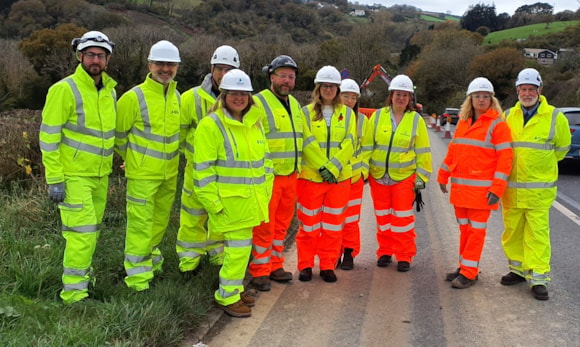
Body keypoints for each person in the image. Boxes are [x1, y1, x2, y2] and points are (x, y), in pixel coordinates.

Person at [39, 31, 116, 304]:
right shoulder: (64, 89)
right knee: (80, 236)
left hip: (100, 176)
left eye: (101, 55)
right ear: (80, 56)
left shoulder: (110, 91)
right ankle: (73, 294)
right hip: (74, 177)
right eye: (91, 54)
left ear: (107, 60)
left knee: (90, 233)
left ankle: (82, 281)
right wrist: (55, 179)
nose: (96, 60)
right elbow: (49, 138)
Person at [193, 69, 273, 318]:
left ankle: (235, 290)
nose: (239, 98)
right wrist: (214, 204)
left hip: (250, 203)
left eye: (243, 93)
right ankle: (226, 296)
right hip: (228, 205)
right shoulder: (211, 125)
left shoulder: (254, 123)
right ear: (223, 95)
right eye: (233, 93)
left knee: (240, 250)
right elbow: (203, 171)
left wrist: (265, 195)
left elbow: (265, 164)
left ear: (249, 96)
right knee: (237, 251)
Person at [248, 55, 328, 291]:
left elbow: (306, 140)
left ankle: (275, 265)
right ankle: (260, 271)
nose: (287, 81)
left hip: (291, 176)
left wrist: (324, 165)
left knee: (282, 225)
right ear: (271, 76)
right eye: (282, 75)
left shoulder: (294, 105)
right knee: (265, 226)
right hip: (268, 178)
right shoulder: (258, 102)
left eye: (291, 77)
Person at [115, 40, 182, 291]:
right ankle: (138, 280)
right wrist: (132, 158)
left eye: (170, 64)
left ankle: (151, 263)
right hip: (143, 175)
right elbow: (119, 136)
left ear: (176, 67)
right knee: (140, 225)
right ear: (149, 65)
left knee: (159, 223)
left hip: (169, 174)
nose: (165, 69)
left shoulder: (176, 97)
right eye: (160, 64)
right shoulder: (133, 97)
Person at [500, 68, 571, 300]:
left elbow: (562, 150)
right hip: (511, 191)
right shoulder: (509, 115)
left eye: (531, 89)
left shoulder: (554, 116)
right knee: (512, 233)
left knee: (538, 235)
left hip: (539, 193)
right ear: (517, 91)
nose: (527, 93)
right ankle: (517, 270)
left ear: (539, 90)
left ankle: (539, 278)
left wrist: (540, 165)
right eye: (523, 89)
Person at [437, 77, 513, 289]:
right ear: (470, 99)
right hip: (461, 191)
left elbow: (505, 159)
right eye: (477, 96)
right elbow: (454, 151)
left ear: (491, 99)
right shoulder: (463, 122)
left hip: (482, 193)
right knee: (465, 230)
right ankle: (465, 267)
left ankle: (469, 272)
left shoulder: (498, 125)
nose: (481, 100)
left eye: (485, 96)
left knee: (475, 232)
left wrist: (497, 189)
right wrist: (442, 175)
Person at [176, 45, 241, 275]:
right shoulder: (190, 98)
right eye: (219, 69)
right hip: (197, 170)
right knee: (192, 216)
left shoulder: (239, 99)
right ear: (211, 69)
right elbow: (180, 135)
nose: (223, 74)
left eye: (229, 69)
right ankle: (189, 262)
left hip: (226, 173)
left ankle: (217, 257)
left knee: (220, 217)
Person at [296, 65, 356, 283]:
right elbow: (307, 142)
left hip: (338, 180)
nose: (329, 90)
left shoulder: (348, 114)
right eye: (325, 86)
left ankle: (328, 265)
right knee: (308, 225)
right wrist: (324, 167)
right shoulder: (305, 113)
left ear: (338, 89)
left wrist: (333, 168)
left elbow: (350, 142)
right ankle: (305, 265)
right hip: (311, 178)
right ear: (318, 88)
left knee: (332, 226)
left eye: (333, 86)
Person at [368, 74, 432, 272]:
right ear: (391, 95)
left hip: (404, 178)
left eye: (405, 95)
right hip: (378, 176)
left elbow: (423, 151)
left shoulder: (415, 120)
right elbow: (368, 146)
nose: (401, 98)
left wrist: (421, 178)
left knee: (403, 220)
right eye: (398, 94)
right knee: (383, 218)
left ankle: (404, 255)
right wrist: (363, 169)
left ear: (410, 98)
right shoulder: (377, 116)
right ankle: (385, 252)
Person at [337, 78, 372, 270]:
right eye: (346, 96)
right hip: (334, 178)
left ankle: (349, 253)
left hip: (354, 179)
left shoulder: (362, 121)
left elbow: (366, 149)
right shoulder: (332, 118)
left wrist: (363, 171)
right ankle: (333, 254)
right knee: (333, 219)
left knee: (350, 219)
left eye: (353, 97)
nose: (350, 100)